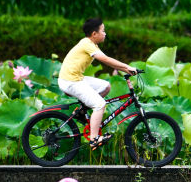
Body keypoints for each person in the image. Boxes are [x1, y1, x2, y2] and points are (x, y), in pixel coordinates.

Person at [57, 17, 137, 150]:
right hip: (70, 81)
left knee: (105, 86)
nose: (105, 33)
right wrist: (128, 67)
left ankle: (82, 112)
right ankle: (94, 139)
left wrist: (126, 69)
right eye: (103, 31)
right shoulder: (87, 44)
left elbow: (107, 60)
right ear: (94, 34)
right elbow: (105, 59)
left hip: (76, 78)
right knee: (100, 104)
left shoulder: (92, 44)